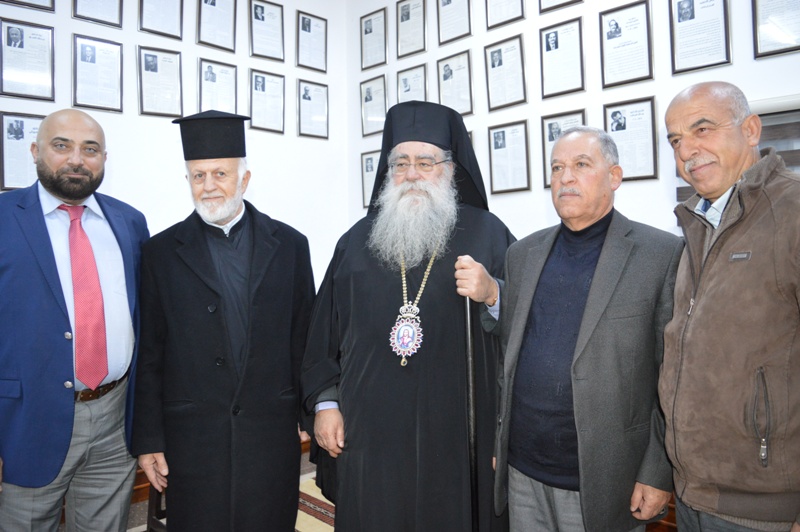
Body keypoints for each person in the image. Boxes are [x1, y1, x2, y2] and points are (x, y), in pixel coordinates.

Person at [302, 101, 514, 531]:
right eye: (401, 163)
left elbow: (528, 322)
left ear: (450, 170)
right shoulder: (355, 242)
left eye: (425, 162)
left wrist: (493, 293)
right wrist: (326, 404)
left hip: (458, 436)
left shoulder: (488, 234)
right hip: (370, 435)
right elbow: (322, 335)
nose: (412, 174)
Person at [460, 126, 681, 531]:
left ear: (614, 176)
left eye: (581, 164)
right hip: (524, 470)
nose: (566, 177)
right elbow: (510, 353)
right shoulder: (522, 253)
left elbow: (674, 376)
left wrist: (657, 471)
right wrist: (501, 441)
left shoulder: (660, 255)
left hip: (606, 477)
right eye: (557, 167)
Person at [132, 110, 315, 530]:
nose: (209, 185)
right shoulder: (160, 253)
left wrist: (308, 412)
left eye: (220, 173)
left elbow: (304, 338)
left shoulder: (290, 245)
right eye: (198, 175)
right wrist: (149, 439)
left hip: (270, 431)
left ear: (244, 179)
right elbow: (150, 353)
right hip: (192, 437)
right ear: (188, 180)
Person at [0, 109, 149, 530]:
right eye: (61, 146)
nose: (77, 160)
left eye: (90, 149)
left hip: (115, 417)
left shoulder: (130, 222)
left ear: (104, 159)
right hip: (24, 424)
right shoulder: (4, 218)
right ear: (35, 151)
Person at [661, 81, 800, 531]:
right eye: (676, 140)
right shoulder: (697, 223)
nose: (687, 150)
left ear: (751, 129)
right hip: (692, 497)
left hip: (765, 512)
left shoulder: (793, 212)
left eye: (702, 129)